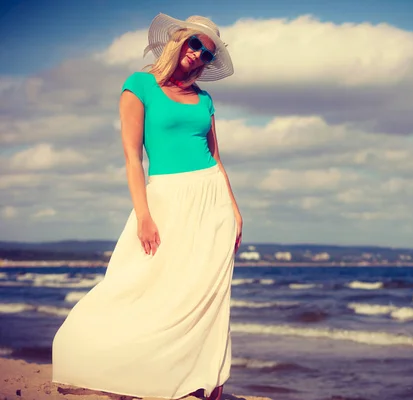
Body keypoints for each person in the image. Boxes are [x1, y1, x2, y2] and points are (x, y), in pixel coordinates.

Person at [52, 13, 241, 400]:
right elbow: (131, 157)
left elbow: (216, 157)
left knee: (206, 291)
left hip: (213, 198)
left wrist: (234, 210)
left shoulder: (204, 99)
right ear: (177, 40)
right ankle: (93, 357)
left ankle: (205, 379)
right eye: (195, 44)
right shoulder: (139, 85)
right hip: (166, 197)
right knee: (137, 280)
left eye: (207, 53)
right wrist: (143, 215)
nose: (199, 55)